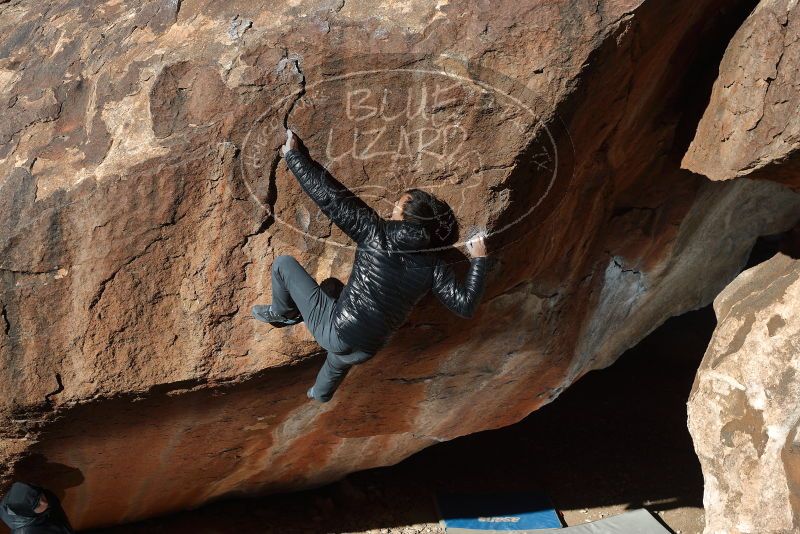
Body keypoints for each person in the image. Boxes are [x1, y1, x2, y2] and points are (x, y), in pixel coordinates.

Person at [252, 129, 489, 403]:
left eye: (397, 206)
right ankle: (321, 393)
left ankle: (283, 313)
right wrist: (479, 259)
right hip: (368, 349)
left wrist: (294, 157)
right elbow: (465, 305)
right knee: (340, 350)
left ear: (406, 216)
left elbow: (330, 199)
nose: (392, 209)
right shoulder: (435, 265)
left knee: (283, 265)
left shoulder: (377, 232)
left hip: (339, 331)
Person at [0, 482, 73, 534]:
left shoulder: (46, 496)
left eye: (41, 497)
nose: (45, 503)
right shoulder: (26, 532)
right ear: (28, 513)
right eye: (37, 505)